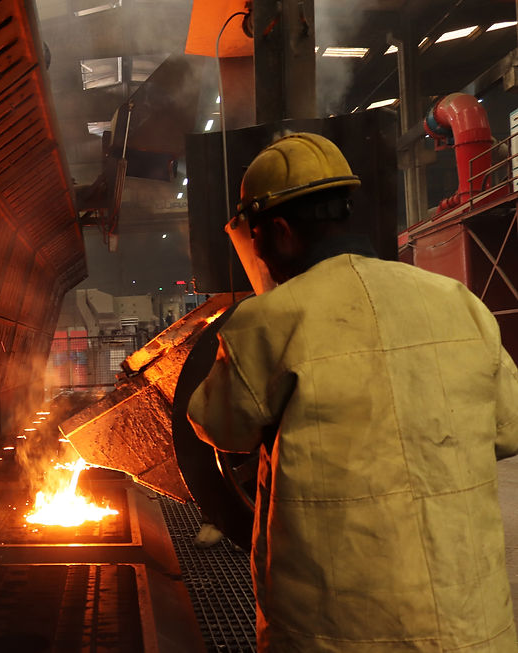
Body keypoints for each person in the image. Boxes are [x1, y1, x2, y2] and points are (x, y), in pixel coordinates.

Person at [185, 132, 518, 652]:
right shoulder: (458, 302)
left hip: (335, 637)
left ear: (278, 233)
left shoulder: (268, 322)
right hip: (470, 629)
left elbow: (221, 430)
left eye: (258, 243)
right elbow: (508, 429)